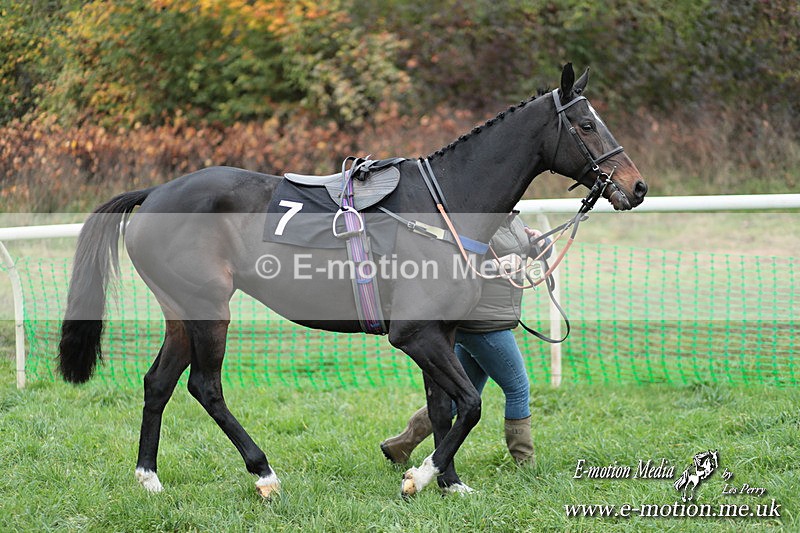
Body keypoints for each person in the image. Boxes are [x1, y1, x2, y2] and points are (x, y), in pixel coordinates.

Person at [380, 212, 551, 465]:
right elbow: (453, 267)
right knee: (517, 388)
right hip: (482, 323)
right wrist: (496, 265)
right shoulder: (481, 221)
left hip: (494, 319)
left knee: (457, 396)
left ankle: (400, 446)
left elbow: (523, 256)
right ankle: (525, 462)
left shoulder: (514, 221)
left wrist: (541, 246)